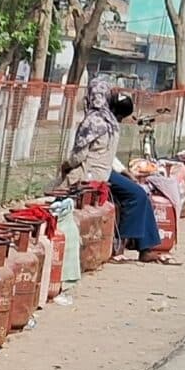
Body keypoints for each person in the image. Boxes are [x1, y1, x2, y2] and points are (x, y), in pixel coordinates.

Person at [59, 79, 163, 256]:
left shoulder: (93, 121)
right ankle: (131, 244)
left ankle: (139, 244)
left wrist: (66, 165)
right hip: (96, 173)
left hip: (96, 172)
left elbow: (81, 155)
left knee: (138, 194)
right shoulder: (107, 121)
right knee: (137, 195)